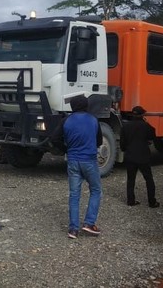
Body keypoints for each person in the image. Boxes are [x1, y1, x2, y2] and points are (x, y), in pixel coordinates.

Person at [51, 94, 103, 239]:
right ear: (86, 106)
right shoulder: (93, 120)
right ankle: (89, 223)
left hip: (73, 161)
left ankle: (73, 229)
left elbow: (54, 138)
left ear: (72, 106)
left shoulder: (66, 120)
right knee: (96, 190)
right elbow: (99, 141)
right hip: (89, 161)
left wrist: (66, 149)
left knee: (74, 194)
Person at [119, 105, 159, 208]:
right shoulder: (145, 126)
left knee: (131, 179)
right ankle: (152, 202)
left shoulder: (125, 126)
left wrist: (125, 150)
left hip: (130, 156)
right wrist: (146, 122)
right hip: (143, 156)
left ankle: (131, 200)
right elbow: (153, 135)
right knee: (149, 179)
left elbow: (122, 143)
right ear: (142, 115)